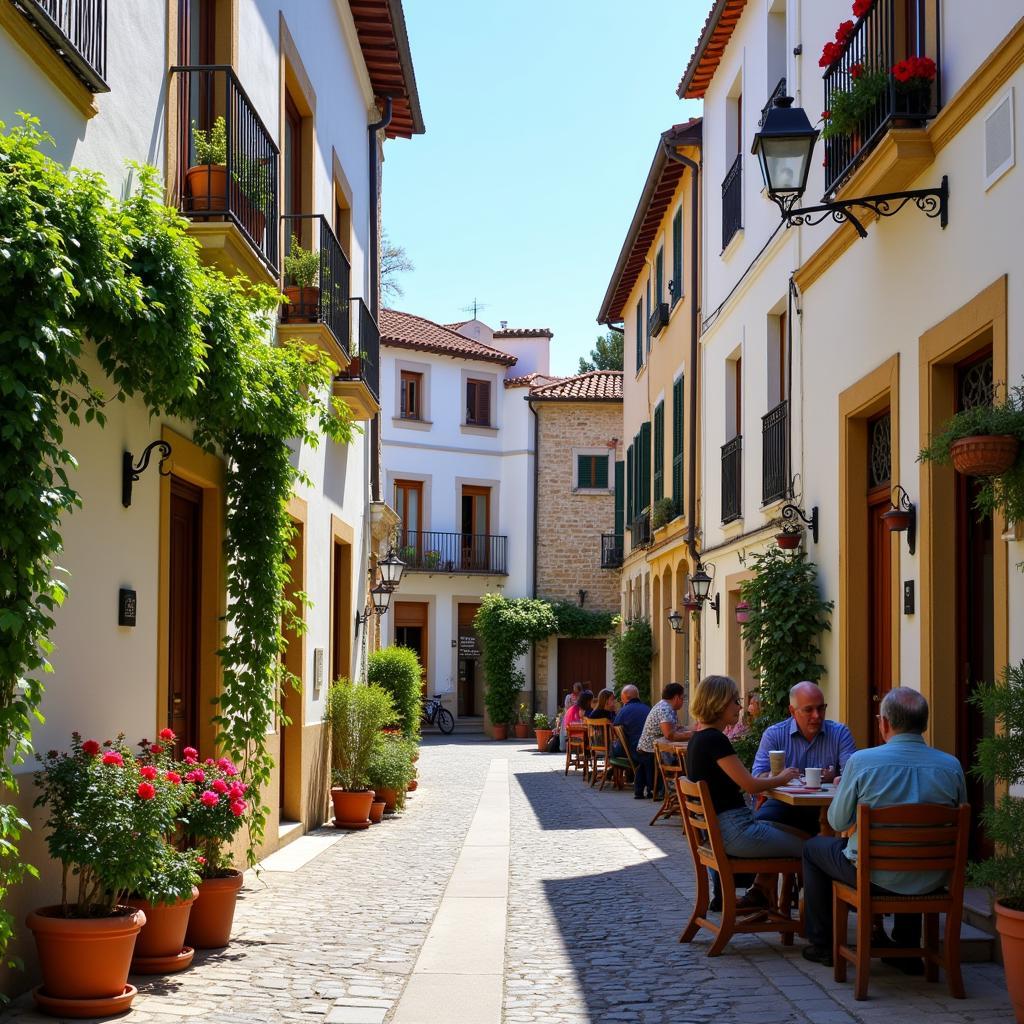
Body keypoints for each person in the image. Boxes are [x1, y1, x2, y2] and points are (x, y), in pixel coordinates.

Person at [800, 687, 968, 971]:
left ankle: (822, 945)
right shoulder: (951, 767)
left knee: (813, 849)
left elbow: (838, 823)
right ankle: (907, 947)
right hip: (932, 876)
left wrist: (842, 790)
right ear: (924, 724)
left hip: (873, 876)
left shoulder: (862, 763)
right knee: (914, 850)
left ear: (885, 723)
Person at [687, 675, 805, 910]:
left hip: (722, 831)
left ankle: (761, 896)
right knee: (814, 848)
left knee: (793, 832)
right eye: (735, 701)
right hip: (736, 832)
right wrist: (781, 778)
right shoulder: (715, 740)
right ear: (718, 703)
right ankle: (814, 918)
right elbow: (749, 785)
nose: (739, 707)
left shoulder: (698, 739)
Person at [751, 681, 858, 835]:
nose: (817, 715)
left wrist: (836, 777)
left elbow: (852, 774)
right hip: (783, 805)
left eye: (821, 708)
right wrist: (780, 777)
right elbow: (758, 776)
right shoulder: (774, 734)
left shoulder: (839, 733)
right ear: (792, 711)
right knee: (761, 826)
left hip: (828, 807)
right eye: (809, 710)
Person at [637, 683, 693, 800]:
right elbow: (670, 735)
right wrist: (692, 735)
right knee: (687, 760)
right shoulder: (665, 709)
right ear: (677, 697)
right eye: (683, 698)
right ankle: (681, 790)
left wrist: (691, 730)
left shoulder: (665, 706)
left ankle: (678, 791)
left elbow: (676, 729)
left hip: (650, 749)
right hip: (651, 751)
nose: (683, 702)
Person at [611, 685, 650, 796]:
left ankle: (613, 774)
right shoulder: (647, 708)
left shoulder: (624, 711)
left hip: (632, 750)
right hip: (648, 748)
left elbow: (616, 729)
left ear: (625, 698)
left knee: (613, 749)